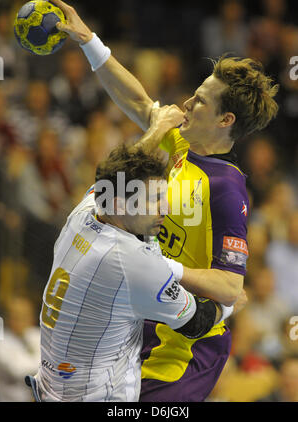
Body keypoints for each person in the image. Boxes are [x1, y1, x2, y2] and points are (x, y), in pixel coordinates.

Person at [52, 0, 274, 401]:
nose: (187, 104)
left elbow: (230, 286)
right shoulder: (178, 142)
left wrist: (157, 267)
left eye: (201, 101)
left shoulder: (226, 188)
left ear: (227, 121)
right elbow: (137, 101)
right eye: (194, 94)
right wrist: (89, 42)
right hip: (140, 327)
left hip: (186, 350)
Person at [29, 107, 234, 402]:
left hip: (54, 388)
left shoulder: (86, 211)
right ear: (121, 204)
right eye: (153, 201)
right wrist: (229, 303)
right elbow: (196, 323)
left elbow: (120, 172)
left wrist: (159, 127)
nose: (164, 209)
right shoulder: (132, 261)